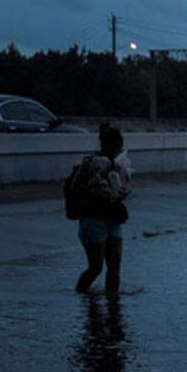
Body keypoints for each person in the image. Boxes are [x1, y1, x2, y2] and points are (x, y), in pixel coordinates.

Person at [74, 124, 132, 296]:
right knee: (96, 267)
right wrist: (98, 192)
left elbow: (128, 183)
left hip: (112, 218)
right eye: (116, 147)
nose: (118, 150)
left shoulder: (118, 166)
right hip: (92, 219)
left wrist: (124, 191)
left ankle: (112, 303)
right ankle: (81, 295)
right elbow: (76, 187)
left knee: (114, 266)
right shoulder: (90, 164)